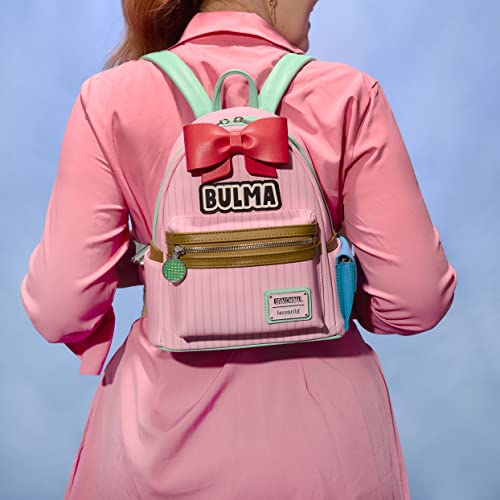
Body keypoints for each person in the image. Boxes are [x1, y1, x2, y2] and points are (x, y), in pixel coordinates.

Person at [20, 0, 457, 498]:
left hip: (157, 444)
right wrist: (320, 286)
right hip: (326, 453)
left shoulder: (109, 99)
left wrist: (154, 268)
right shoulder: (350, 95)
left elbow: (60, 308)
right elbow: (416, 298)